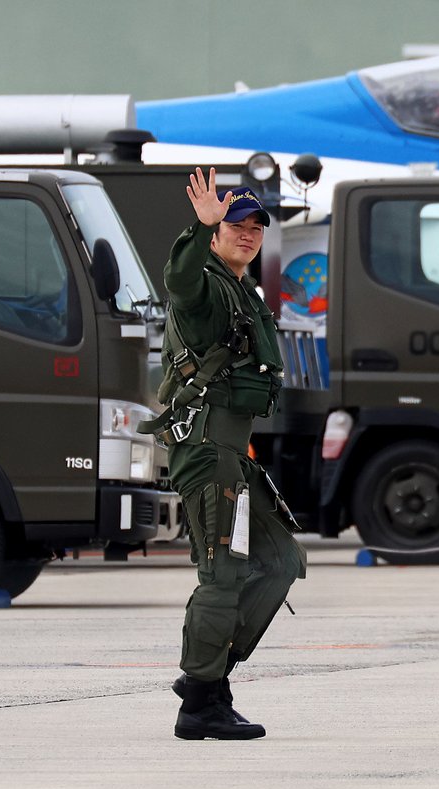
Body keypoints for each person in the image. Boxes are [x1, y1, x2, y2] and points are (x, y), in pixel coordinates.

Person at [143, 167, 307, 740]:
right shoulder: (207, 288)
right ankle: (202, 705)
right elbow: (180, 282)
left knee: (282, 561)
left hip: (234, 456)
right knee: (221, 576)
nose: (249, 232)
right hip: (208, 453)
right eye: (237, 223)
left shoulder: (243, 292)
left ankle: (206, 679)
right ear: (216, 234)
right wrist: (198, 227)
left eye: (257, 225)